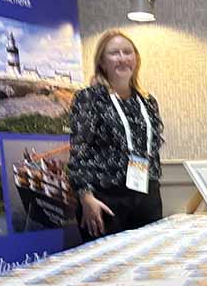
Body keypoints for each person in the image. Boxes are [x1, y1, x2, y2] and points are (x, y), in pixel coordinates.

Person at [68, 29, 164, 242]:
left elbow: (153, 149)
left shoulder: (148, 102)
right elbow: (79, 152)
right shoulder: (89, 99)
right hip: (106, 200)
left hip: (146, 196)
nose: (122, 58)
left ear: (136, 59)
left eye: (127, 52)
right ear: (102, 62)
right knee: (110, 271)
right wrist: (86, 197)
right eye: (114, 53)